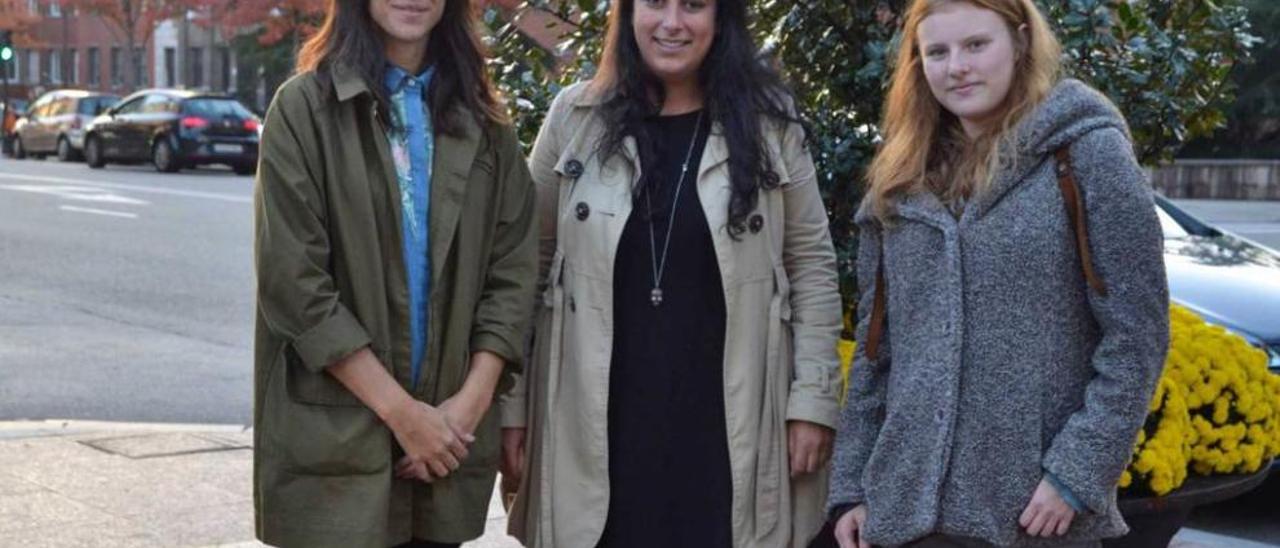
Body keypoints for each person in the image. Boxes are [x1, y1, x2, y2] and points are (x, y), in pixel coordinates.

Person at [499, 0, 844, 546]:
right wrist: (511, 410)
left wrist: (813, 403)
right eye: (655, 3)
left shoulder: (769, 122)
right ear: (628, 14)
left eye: (694, 5)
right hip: (594, 427)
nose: (672, 22)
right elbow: (525, 268)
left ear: (721, 18)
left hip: (730, 429)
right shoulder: (575, 117)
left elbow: (812, 267)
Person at [828, 0, 1169, 547]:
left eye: (976, 45)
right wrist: (852, 487)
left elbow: (1138, 337)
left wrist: (1076, 474)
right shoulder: (897, 183)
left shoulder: (1086, 154)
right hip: (906, 515)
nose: (956, 66)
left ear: (1019, 40)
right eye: (937, 51)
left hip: (1031, 515)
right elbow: (876, 351)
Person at [251, 0, 537, 546]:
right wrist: (405, 417)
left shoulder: (483, 120)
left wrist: (461, 415)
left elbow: (513, 274)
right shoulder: (304, 110)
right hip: (337, 445)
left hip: (448, 445)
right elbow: (295, 285)